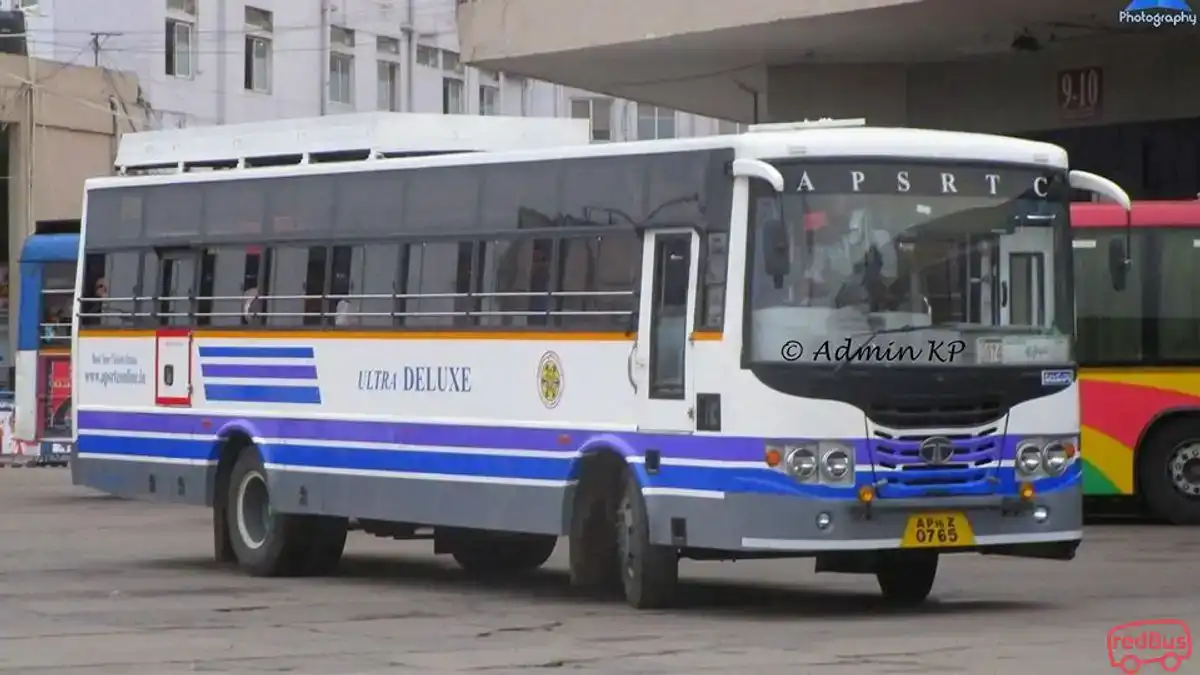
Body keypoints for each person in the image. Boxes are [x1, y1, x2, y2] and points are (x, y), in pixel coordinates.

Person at [803, 195, 897, 310]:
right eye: (832, 208)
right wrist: (832, 282)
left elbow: (890, 279)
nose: (840, 213)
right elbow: (809, 285)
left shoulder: (881, 239)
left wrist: (870, 286)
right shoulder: (822, 242)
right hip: (831, 312)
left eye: (847, 209)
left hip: (872, 314)